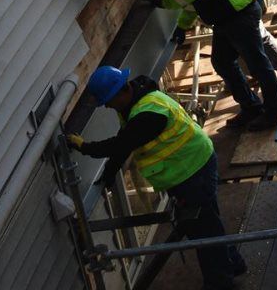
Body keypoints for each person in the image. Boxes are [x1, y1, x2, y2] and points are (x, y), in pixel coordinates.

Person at [67, 66, 246, 290]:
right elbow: (126, 142)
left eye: (109, 101)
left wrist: (84, 146)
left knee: (204, 231)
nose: (107, 106)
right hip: (189, 168)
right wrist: (109, 175)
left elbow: (121, 144)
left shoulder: (148, 113)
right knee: (207, 223)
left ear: (121, 92)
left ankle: (220, 283)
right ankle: (233, 264)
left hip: (192, 171)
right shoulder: (136, 102)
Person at [161, 0, 277, 131]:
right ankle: (251, 106)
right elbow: (196, 0)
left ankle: (275, 111)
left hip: (239, 13)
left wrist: (162, 1)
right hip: (228, 16)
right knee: (222, 61)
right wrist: (183, 25)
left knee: (257, 63)